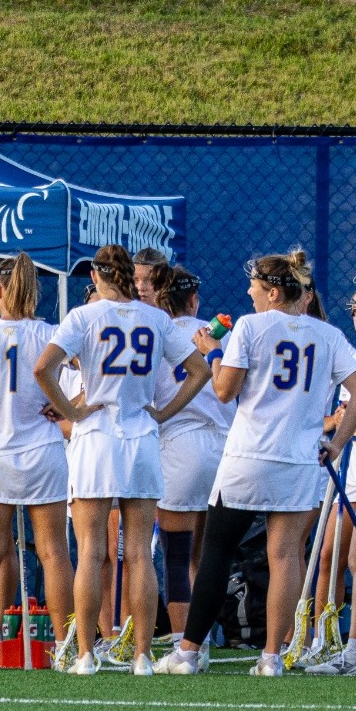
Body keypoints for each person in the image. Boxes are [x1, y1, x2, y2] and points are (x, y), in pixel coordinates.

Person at [159, 249, 356, 676]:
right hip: (298, 461)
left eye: (255, 286)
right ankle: (272, 655)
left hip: (249, 457)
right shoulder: (328, 335)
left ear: (274, 292)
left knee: (216, 551)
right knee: (286, 556)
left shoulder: (252, 327)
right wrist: (337, 443)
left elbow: (223, 390)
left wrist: (212, 351)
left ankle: (189, 651)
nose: (249, 293)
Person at [34, 245, 208, 675]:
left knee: (91, 550)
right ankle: (143, 656)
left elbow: (43, 370)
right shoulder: (156, 317)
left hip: (97, 437)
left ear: (96, 274)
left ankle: (85, 655)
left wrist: (72, 411)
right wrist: (165, 413)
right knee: (139, 554)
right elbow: (200, 370)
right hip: (142, 436)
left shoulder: (83, 316)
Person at [0, 253, 74, 669]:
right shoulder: (53, 334)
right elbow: (92, 376)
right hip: (43, 452)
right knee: (55, 552)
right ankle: (64, 646)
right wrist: (67, 407)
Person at [305, 293, 356, 675]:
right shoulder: (354, 354)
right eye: (354, 310)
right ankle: (326, 639)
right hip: (354, 468)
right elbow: (343, 415)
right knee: (328, 556)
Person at [155, 267, 231, 642]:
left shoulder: (158, 332)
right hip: (223, 447)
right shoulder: (219, 336)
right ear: (195, 300)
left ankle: (183, 638)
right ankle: (204, 636)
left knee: (176, 552)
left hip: (179, 445)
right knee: (207, 553)